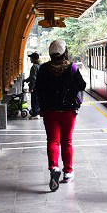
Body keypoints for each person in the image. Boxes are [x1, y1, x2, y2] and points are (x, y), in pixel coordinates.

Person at [34, 39, 86, 191]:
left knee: (52, 141)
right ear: (65, 52)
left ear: (51, 53)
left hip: (49, 111)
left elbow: (38, 89)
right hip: (69, 111)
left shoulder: (44, 69)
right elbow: (82, 85)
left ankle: (54, 168)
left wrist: (41, 107)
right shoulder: (72, 68)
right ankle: (68, 172)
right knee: (67, 141)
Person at [25, 52, 41, 118]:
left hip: (35, 87)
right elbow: (32, 77)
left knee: (34, 99)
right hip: (39, 86)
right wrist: (26, 80)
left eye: (31, 58)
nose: (30, 59)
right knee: (37, 99)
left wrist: (31, 88)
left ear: (34, 59)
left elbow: (33, 78)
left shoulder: (34, 67)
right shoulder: (39, 66)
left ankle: (35, 113)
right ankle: (37, 111)